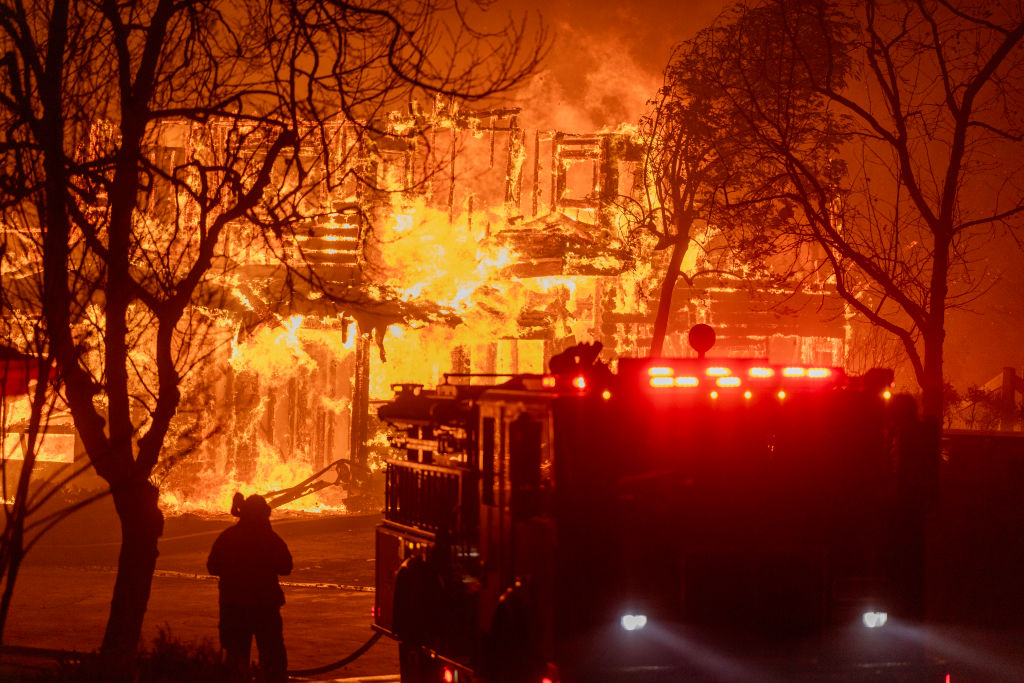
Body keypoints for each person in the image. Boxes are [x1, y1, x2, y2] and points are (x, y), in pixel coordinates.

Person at [208, 493, 292, 683]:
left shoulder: (228, 537)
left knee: (235, 659)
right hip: (264, 606)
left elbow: (212, 567)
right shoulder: (270, 539)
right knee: (272, 658)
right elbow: (286, 566)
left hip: (233, 606)